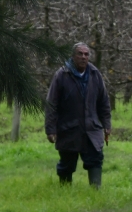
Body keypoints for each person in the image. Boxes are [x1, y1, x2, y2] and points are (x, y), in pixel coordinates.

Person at [45, 43, 111, 187]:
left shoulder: (95, 74)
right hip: (68, 128)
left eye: (86, 54)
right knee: (66, 164)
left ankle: (95, 192)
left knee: (95, 160)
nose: (83, 57)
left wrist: (107, 125)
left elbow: (104, 102)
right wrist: (50, 130)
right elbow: (51, 104)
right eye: (80, 54)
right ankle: (65, 191)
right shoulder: (62, 75)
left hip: (92, 129)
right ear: (73, 56)